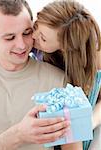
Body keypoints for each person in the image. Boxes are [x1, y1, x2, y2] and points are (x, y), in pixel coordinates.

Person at [0, 0, 101, 150]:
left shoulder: (62, 82)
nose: (23, 44)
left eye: (27, 33)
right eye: (10, 37)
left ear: (63, 48)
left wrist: (90, 121)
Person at [32, 0, 101, 150]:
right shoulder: (32, 40)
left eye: (43, 38)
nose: (33, 35)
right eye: (36, 25)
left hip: (77, 122)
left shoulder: (95, 57)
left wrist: (90, 121)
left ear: (64, 48)